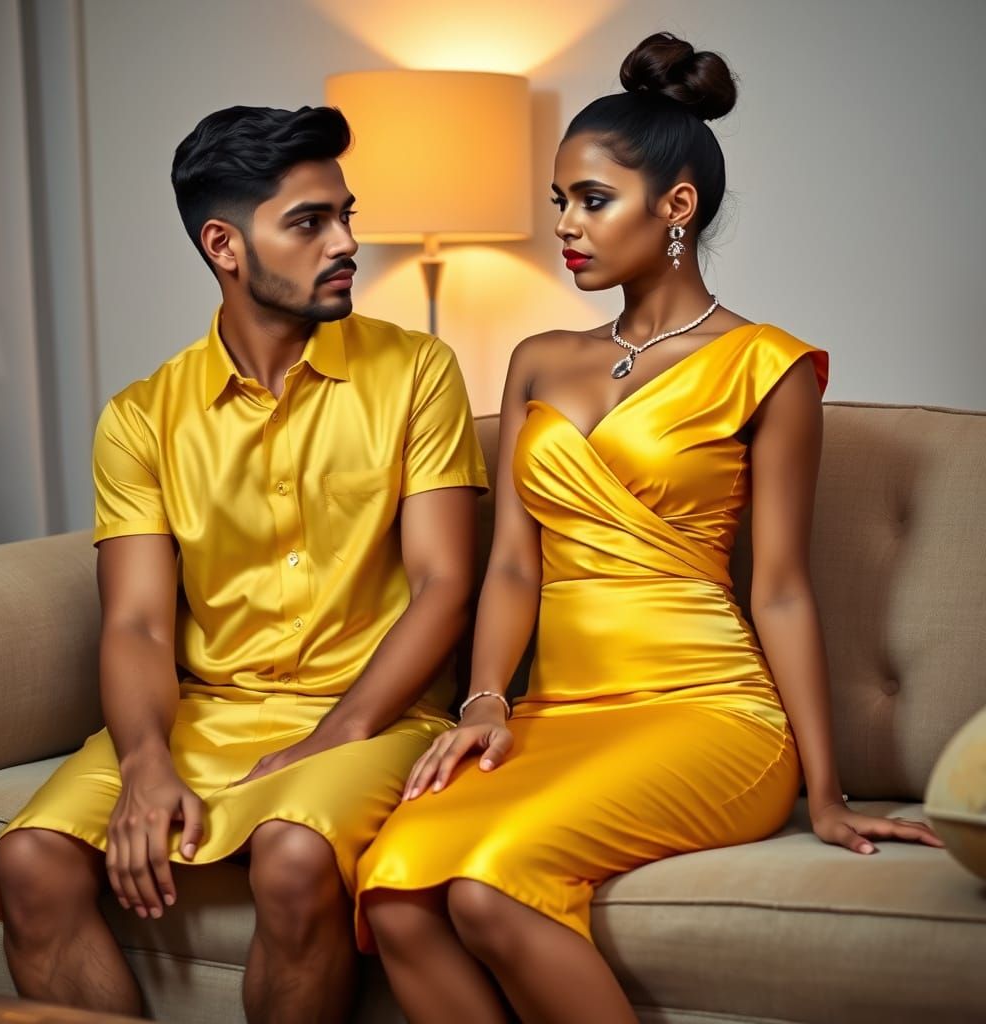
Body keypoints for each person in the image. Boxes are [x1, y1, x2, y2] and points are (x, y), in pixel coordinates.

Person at [355, 32, 943, 1024]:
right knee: (395, 886)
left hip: (709, 715)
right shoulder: (539, 357)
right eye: (559, 203)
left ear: (676, 207)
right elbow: (510, 568)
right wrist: (486, 699)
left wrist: (829, 788)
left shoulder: (770, 365)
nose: (566, 228)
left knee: (487, 884)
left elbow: (783, 588)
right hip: (559, 715)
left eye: (592, 200)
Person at [0, 104, 487, 1024]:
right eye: (309, 222)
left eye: (346, 214)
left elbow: (445, 588)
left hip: (373, 718)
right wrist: (143, 761)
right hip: (205, 713)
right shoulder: (142, 415)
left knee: (295, 857)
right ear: (223, 243)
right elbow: (136, 622)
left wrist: (328, 740)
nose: (345, 243)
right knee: (27, 862)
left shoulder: (420, 372)